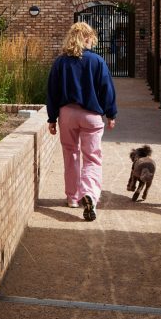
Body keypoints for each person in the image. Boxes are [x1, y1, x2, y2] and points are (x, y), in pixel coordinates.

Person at [46, 21, 117, 221]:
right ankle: (90, 195)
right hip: (91, 115)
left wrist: (52, 118)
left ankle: (72, 197)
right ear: (88, 38)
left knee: (71, 155)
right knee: (92, 157)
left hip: (67, 114)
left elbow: (52, 91)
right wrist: (111, 114)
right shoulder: (97, 61)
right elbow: (106, 89)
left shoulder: (60, 62)